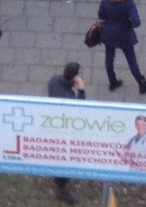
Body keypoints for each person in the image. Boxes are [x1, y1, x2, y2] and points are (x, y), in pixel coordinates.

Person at [98, 0, 146, 94]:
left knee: (109, 58)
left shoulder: (106, 0)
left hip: (108, 34)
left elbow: (101, 16)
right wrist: (128, 22)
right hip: (124, 35)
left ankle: (112, 82)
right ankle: (142, 85)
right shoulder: (128, 2)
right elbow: (136, 23)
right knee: (131, 60)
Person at [47, 62, 86, 205]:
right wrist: (81, 91)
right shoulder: (68, 97)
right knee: (65, 157)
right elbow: (79, 110)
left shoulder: (54, 80)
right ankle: (61, 185)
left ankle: (60, 180)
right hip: (64, 130)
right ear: (74, 78)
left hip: (55, 124)